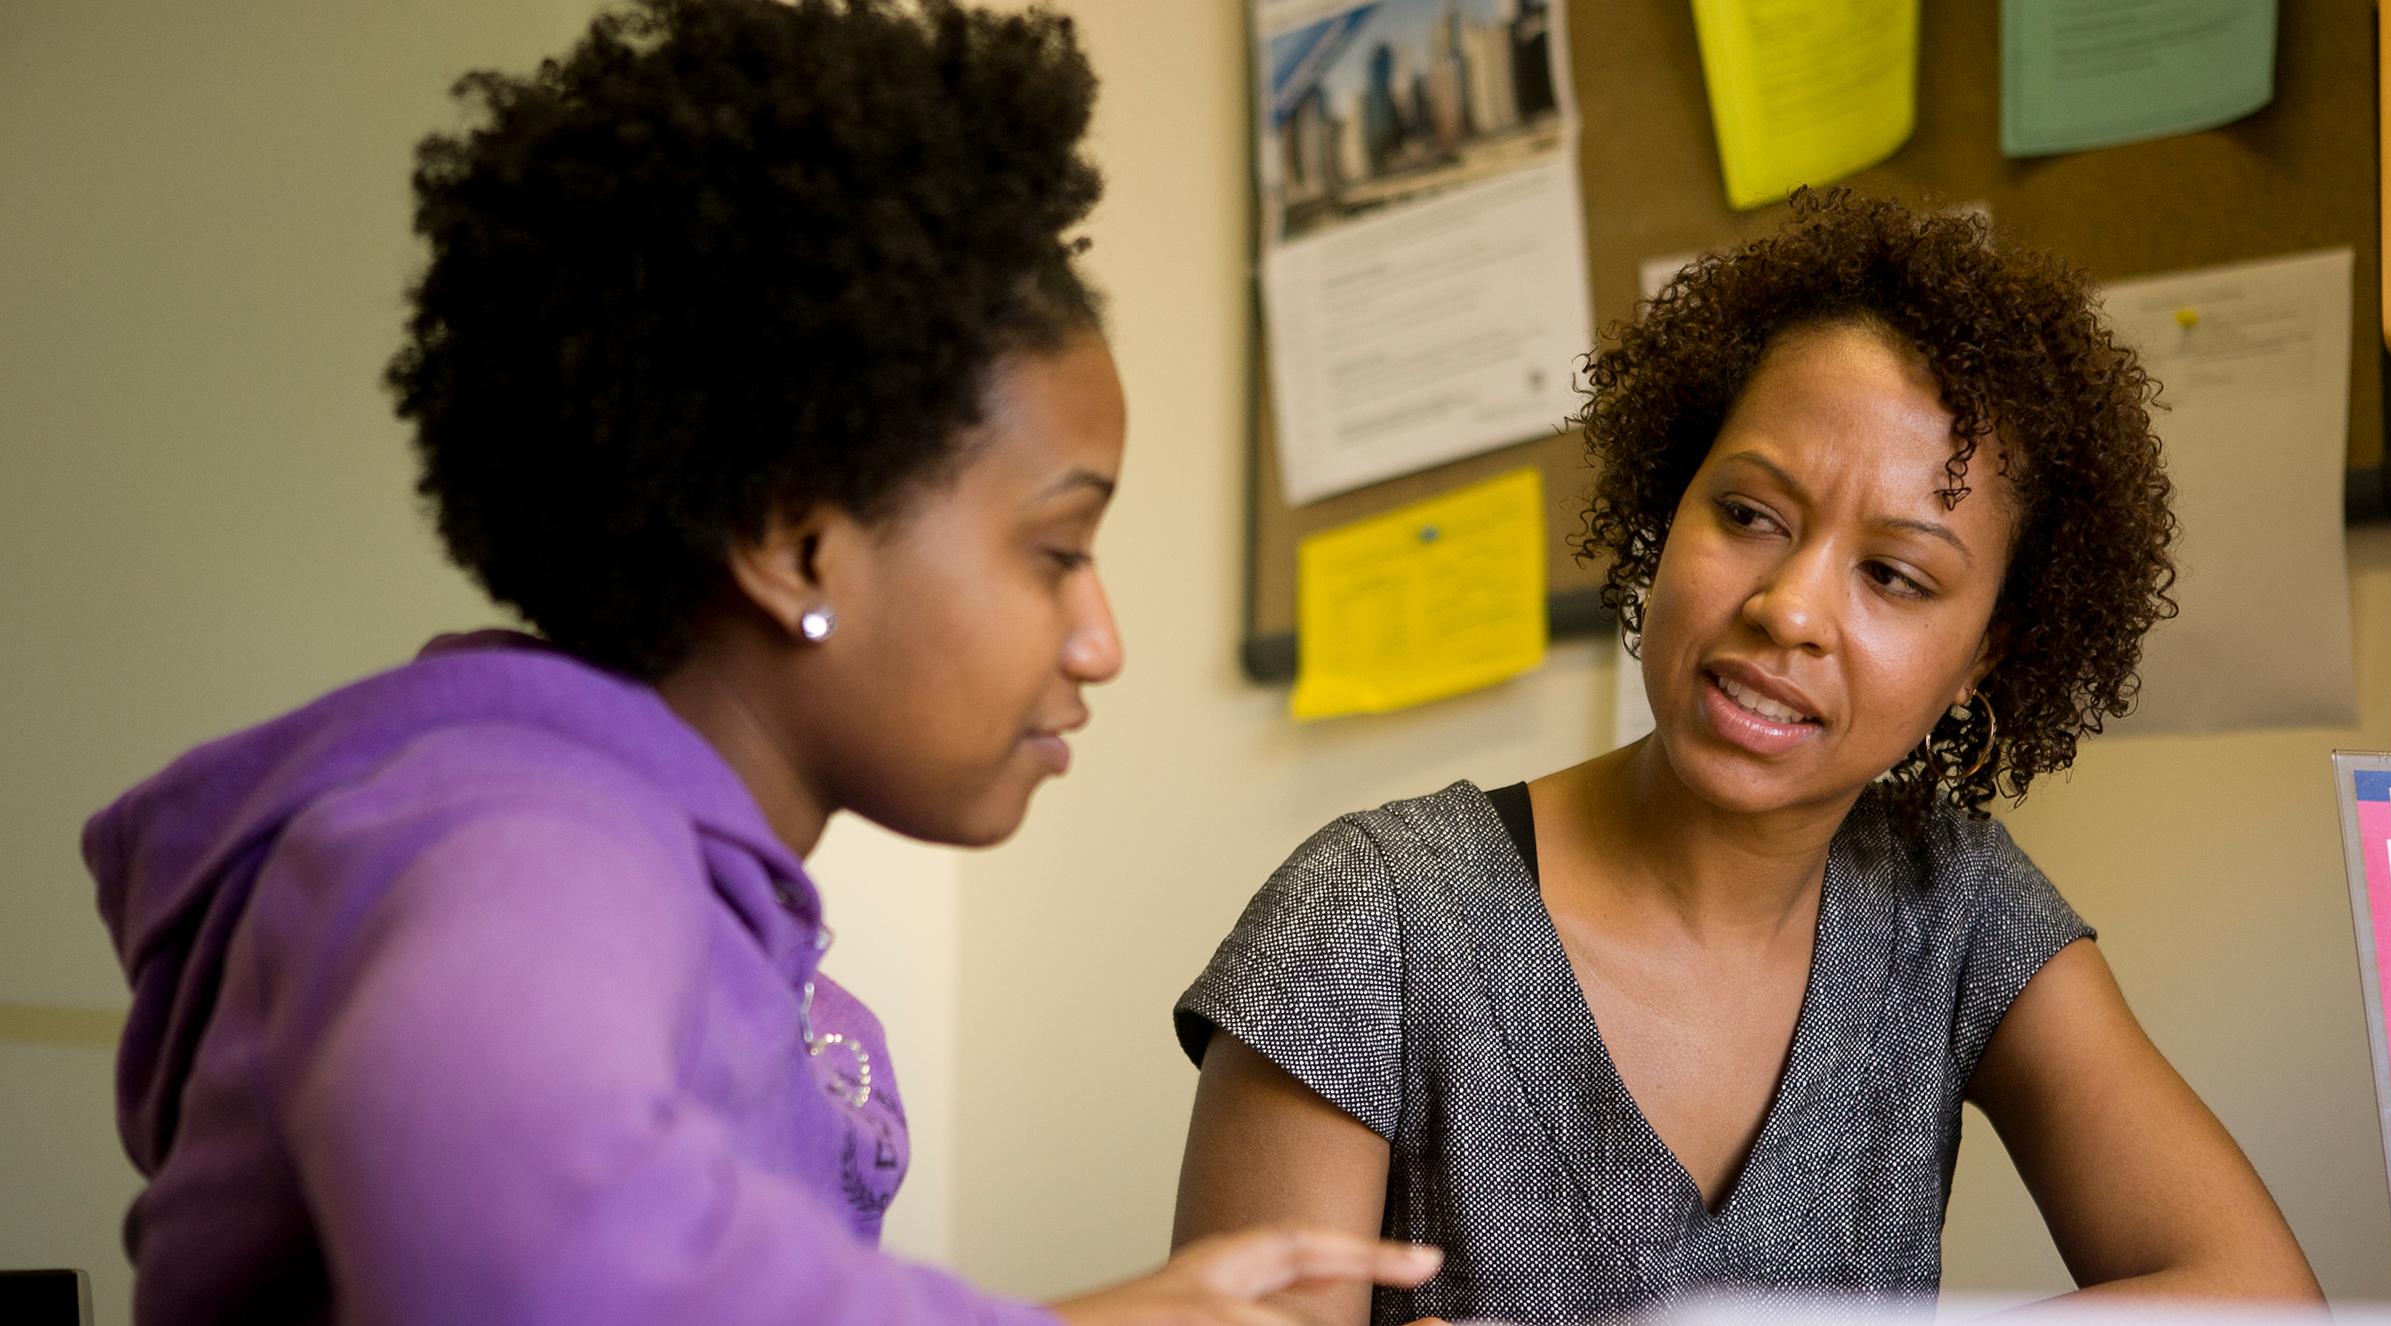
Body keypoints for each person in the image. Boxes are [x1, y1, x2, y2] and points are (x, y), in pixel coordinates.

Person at [83, 2, 1439, 1323]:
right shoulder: (527, 844)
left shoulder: (639, 875)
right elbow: (530, 1272)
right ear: (794, 547)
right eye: (1055, 548)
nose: (1102, 640)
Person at [1169, 192, 2323, 1325]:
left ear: (1983, 656)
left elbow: (2265, 1304)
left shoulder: (1955, 907)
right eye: (1748, 513)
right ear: (1669, 506)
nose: (1791, 608)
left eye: (1895, 577)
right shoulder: (1375, 917)